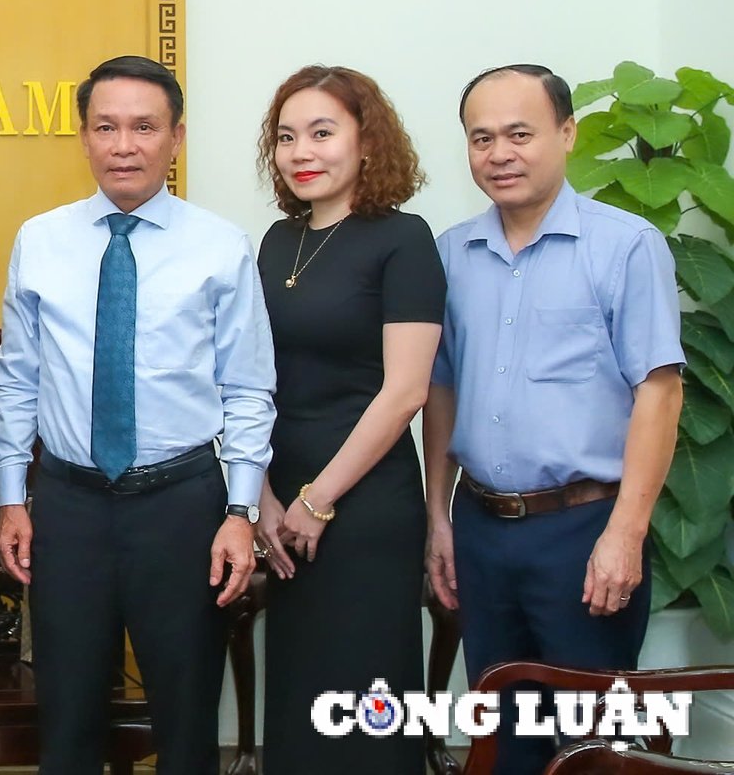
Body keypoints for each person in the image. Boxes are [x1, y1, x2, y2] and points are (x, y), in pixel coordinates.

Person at [0, 54, 275, 775]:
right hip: (70, 506)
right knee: (69, 716)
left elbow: (247, 389)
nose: (124, 145)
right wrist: (14, 496)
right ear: (83, 137)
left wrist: (240, 511)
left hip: (181, 505)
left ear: (175, 138)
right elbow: (18, 379)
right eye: (106, 126)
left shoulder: (220, 246)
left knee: (184, 722)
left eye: (144, 127)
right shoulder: (41, 240)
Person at [425, 64, 684, 775]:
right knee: (503, 738)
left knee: (592, 745)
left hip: (583, 531)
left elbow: (660, 394)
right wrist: (439, 519)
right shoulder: (450, 254)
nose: (499, 154)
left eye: (519, 134)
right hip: (481, 531)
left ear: (566, 134)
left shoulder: (625, 245)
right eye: (482, 139)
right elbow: (440, 390)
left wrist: (625, 535)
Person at [251, 65, 444, 773]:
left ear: (368, 143)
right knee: (301, 697)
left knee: (364, 698)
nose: (303, 152)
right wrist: (265, 496)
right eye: (286, 137)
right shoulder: (277, 242)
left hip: (363, 507)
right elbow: (252, 382)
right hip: (283, 504)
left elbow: (405, 392)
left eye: (323, 133)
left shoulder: (404, 239)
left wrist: (317, 499)